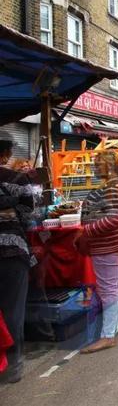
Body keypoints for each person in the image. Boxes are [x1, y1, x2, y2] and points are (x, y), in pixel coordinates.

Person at [79, 151, 118, 354]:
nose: (94, 167)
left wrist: (85, 230)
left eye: (98, 163)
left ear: (109, 166)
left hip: (107, 243)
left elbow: (113, 219)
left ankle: (108, 335)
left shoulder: (112, 186)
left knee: (108, 288)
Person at [0, 140, 34, 384]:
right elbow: (30, 212)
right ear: (6, 155)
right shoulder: (17, 179)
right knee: (13, 310)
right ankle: (13, 366)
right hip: (12, 250)